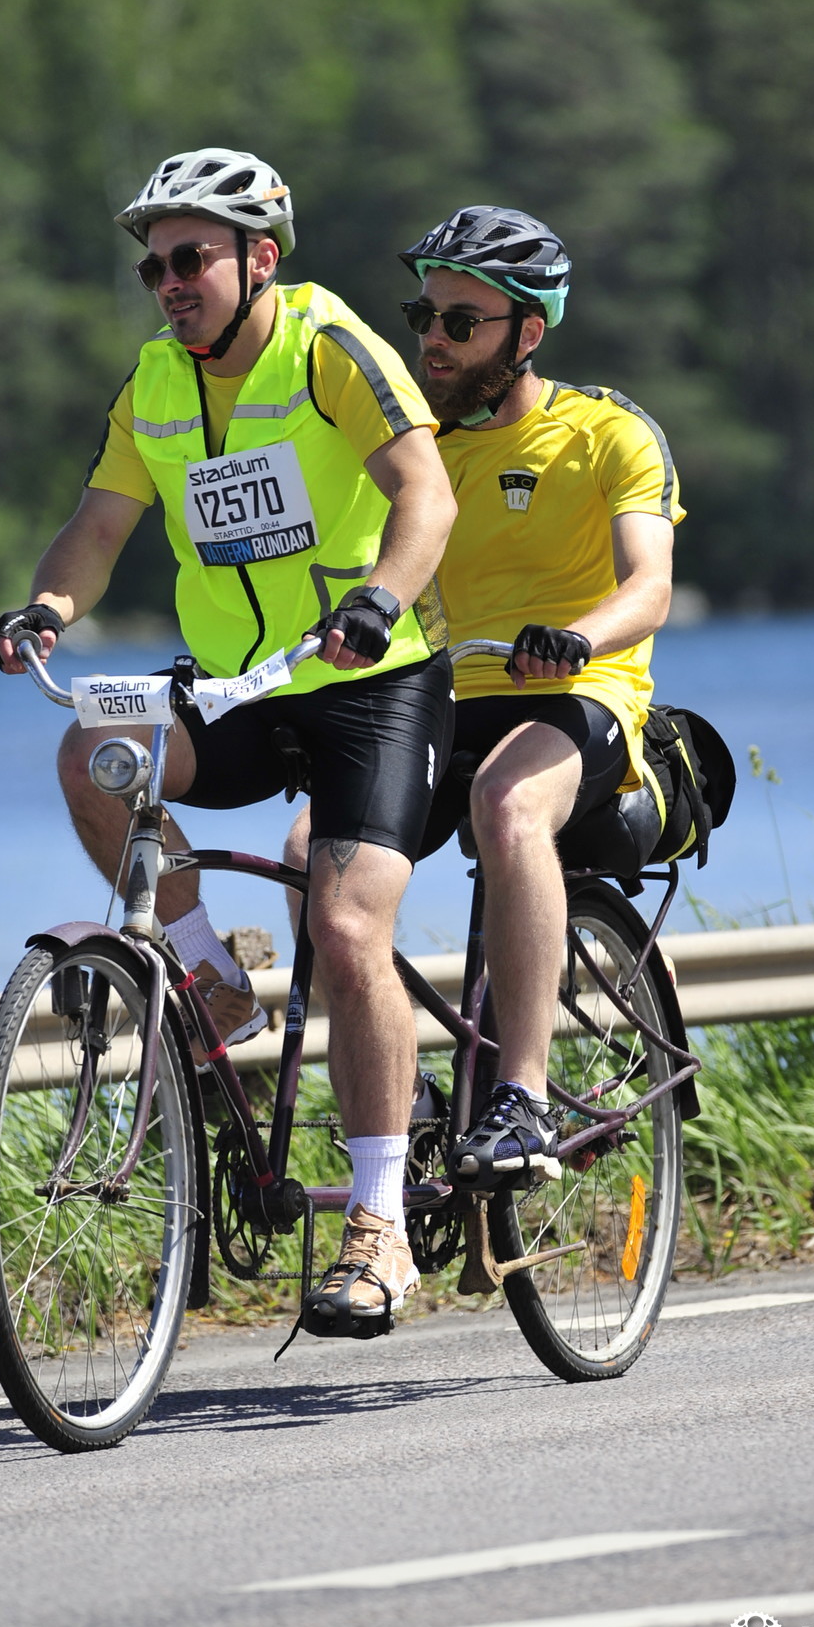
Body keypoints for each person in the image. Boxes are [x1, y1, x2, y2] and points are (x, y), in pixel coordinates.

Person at [0, 147, 457, 1333]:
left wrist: (380, 599)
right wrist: (47, 607)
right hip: (243, 685)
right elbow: (98, 525)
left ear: (260, 258)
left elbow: (427, 493)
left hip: (372, 678)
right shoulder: (154, 380)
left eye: (189, 258)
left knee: (346, 927)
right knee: (93, 756)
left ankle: (381, 1223)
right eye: (153, 267)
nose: (169, 284)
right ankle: (209, 974)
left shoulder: (329, 345)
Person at [290, 204, 682, 1195]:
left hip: (579, 690)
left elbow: (650, 585)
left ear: (528, 332)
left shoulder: (607, 431)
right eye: (423, 316)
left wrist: (579, 635)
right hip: (443, 695)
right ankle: (405, 1079)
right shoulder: (416, 453)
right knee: (307, 852)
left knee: (507, 803)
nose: (433, 338)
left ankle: (523, 1096)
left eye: (461, 322)